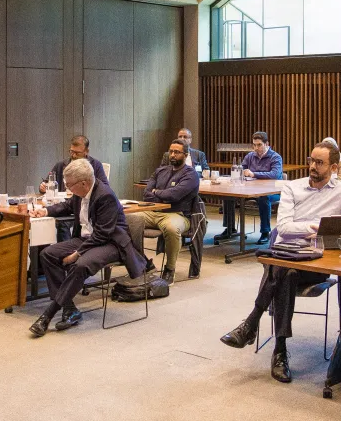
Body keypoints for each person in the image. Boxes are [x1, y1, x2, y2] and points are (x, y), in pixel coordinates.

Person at [218, 144, 341, 382]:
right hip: (286, 254)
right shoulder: (292, 187)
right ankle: (279, 350)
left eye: (319, 163)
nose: (312, 166)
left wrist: (333, 235)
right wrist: (314, 228)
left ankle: (253, 324)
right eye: (311, 160)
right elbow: (284, 228)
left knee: (281, 270)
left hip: (316, 262)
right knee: (286, 272)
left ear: (333, 167)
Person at [28, 158, 145, 336]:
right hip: (88, 239)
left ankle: (48, 314)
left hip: (111, 243)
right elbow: (67, 206)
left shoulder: (105, 195)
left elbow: (102, 234)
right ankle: (69, 309)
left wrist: (77, 253)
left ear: (84, 183)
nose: (68, 189)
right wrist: (45, 211)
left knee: (81, 264)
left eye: (69, 185)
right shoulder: (81, 192)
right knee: (47, 254)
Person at [128, 139, 201, 279]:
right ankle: (143, 262)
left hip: (178, 215)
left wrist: (157, 192)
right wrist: (160, 194)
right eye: (171, 151)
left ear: (185, 155)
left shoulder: (191, 175)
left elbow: (175, 195)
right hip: (153, 212)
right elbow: (147, 194)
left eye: (177, 152)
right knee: (125, 220)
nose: (172, 155)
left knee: (172, 229)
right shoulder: (160, 171)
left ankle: (169, 269)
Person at [213, 131, 283, 245]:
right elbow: (241, 169)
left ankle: (265, 232)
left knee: (263, 198)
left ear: (267, 144)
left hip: (272, 191)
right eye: (254, 145)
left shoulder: (275, 157)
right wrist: (239, 171)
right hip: (251, 190)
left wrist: (253, 174)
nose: (256, 148)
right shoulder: (250, 156)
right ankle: (230, 228)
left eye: (259, 145)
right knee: (228, 196)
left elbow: (274, 174)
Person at [42, 134, 108, 193]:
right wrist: (42, 187)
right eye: (72, 151)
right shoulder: (60, 165)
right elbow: (47, 182)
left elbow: (105, 187)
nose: (74, 155)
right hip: (64, 201)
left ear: (86, 151)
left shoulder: (96, 165)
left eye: (77, 153)